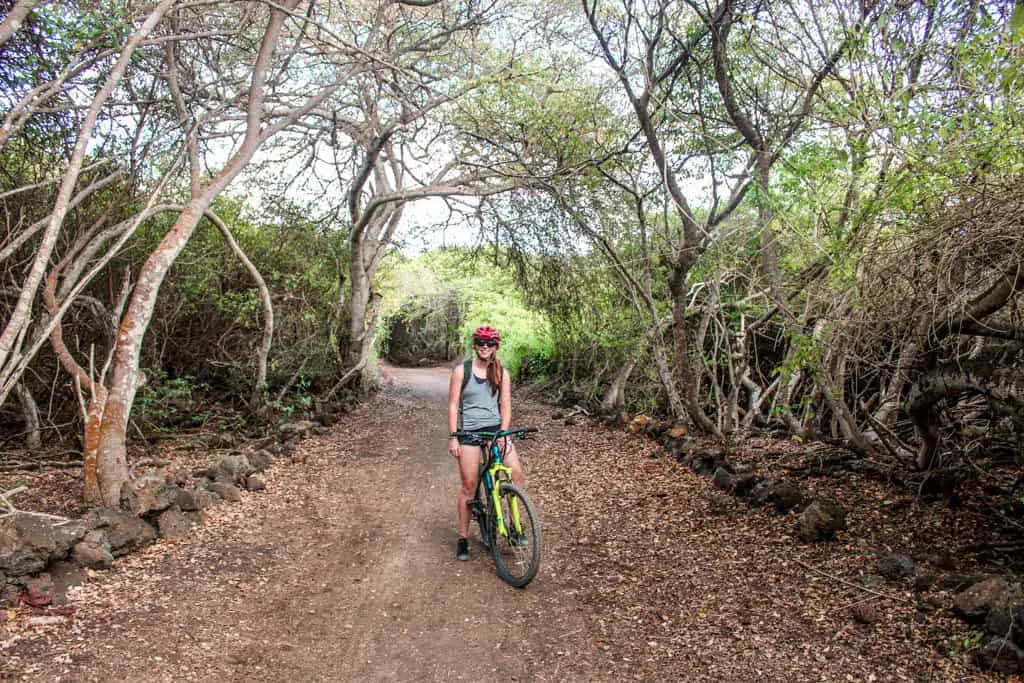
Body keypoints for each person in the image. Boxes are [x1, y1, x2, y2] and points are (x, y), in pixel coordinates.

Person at [447, 325, 524, 561]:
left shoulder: (503, 373)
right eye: (481, 342)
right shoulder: (463, 371)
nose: (485, 347)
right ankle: (462, 538)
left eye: (490, 343)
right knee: (468, 486)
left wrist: (503, 433)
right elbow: (453, 405)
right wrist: (453, 437)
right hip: (469, 432)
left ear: (495, 347)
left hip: (494, 430)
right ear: (475, 345)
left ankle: (514, 525)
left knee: (516, 473)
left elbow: (506, 405)